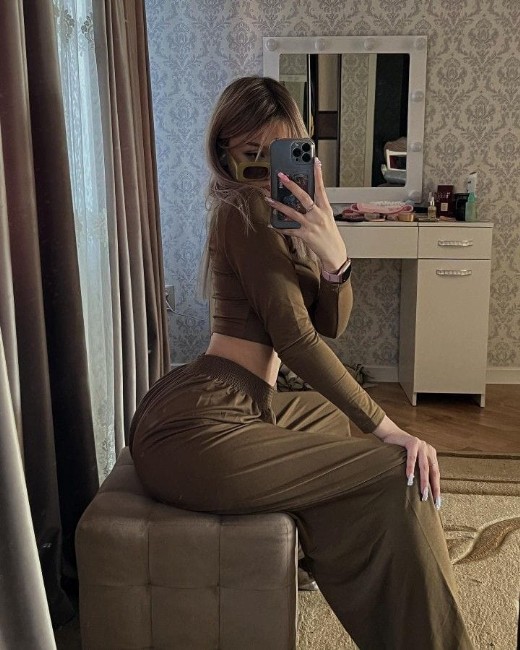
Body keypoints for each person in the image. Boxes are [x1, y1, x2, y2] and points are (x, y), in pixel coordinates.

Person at [129, 76, 473, 649]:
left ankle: (323, 551)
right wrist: (391, 427)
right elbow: (296, 341)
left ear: (301, 149)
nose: (266, 168)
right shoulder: (243, 209)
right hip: (199, 423)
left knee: (333, 420)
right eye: (251, 153)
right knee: (399, 470)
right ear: (224, 152)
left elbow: (331, 324)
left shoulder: (288, 223)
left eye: (279, 151)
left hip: (240, 403)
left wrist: (335, 256)